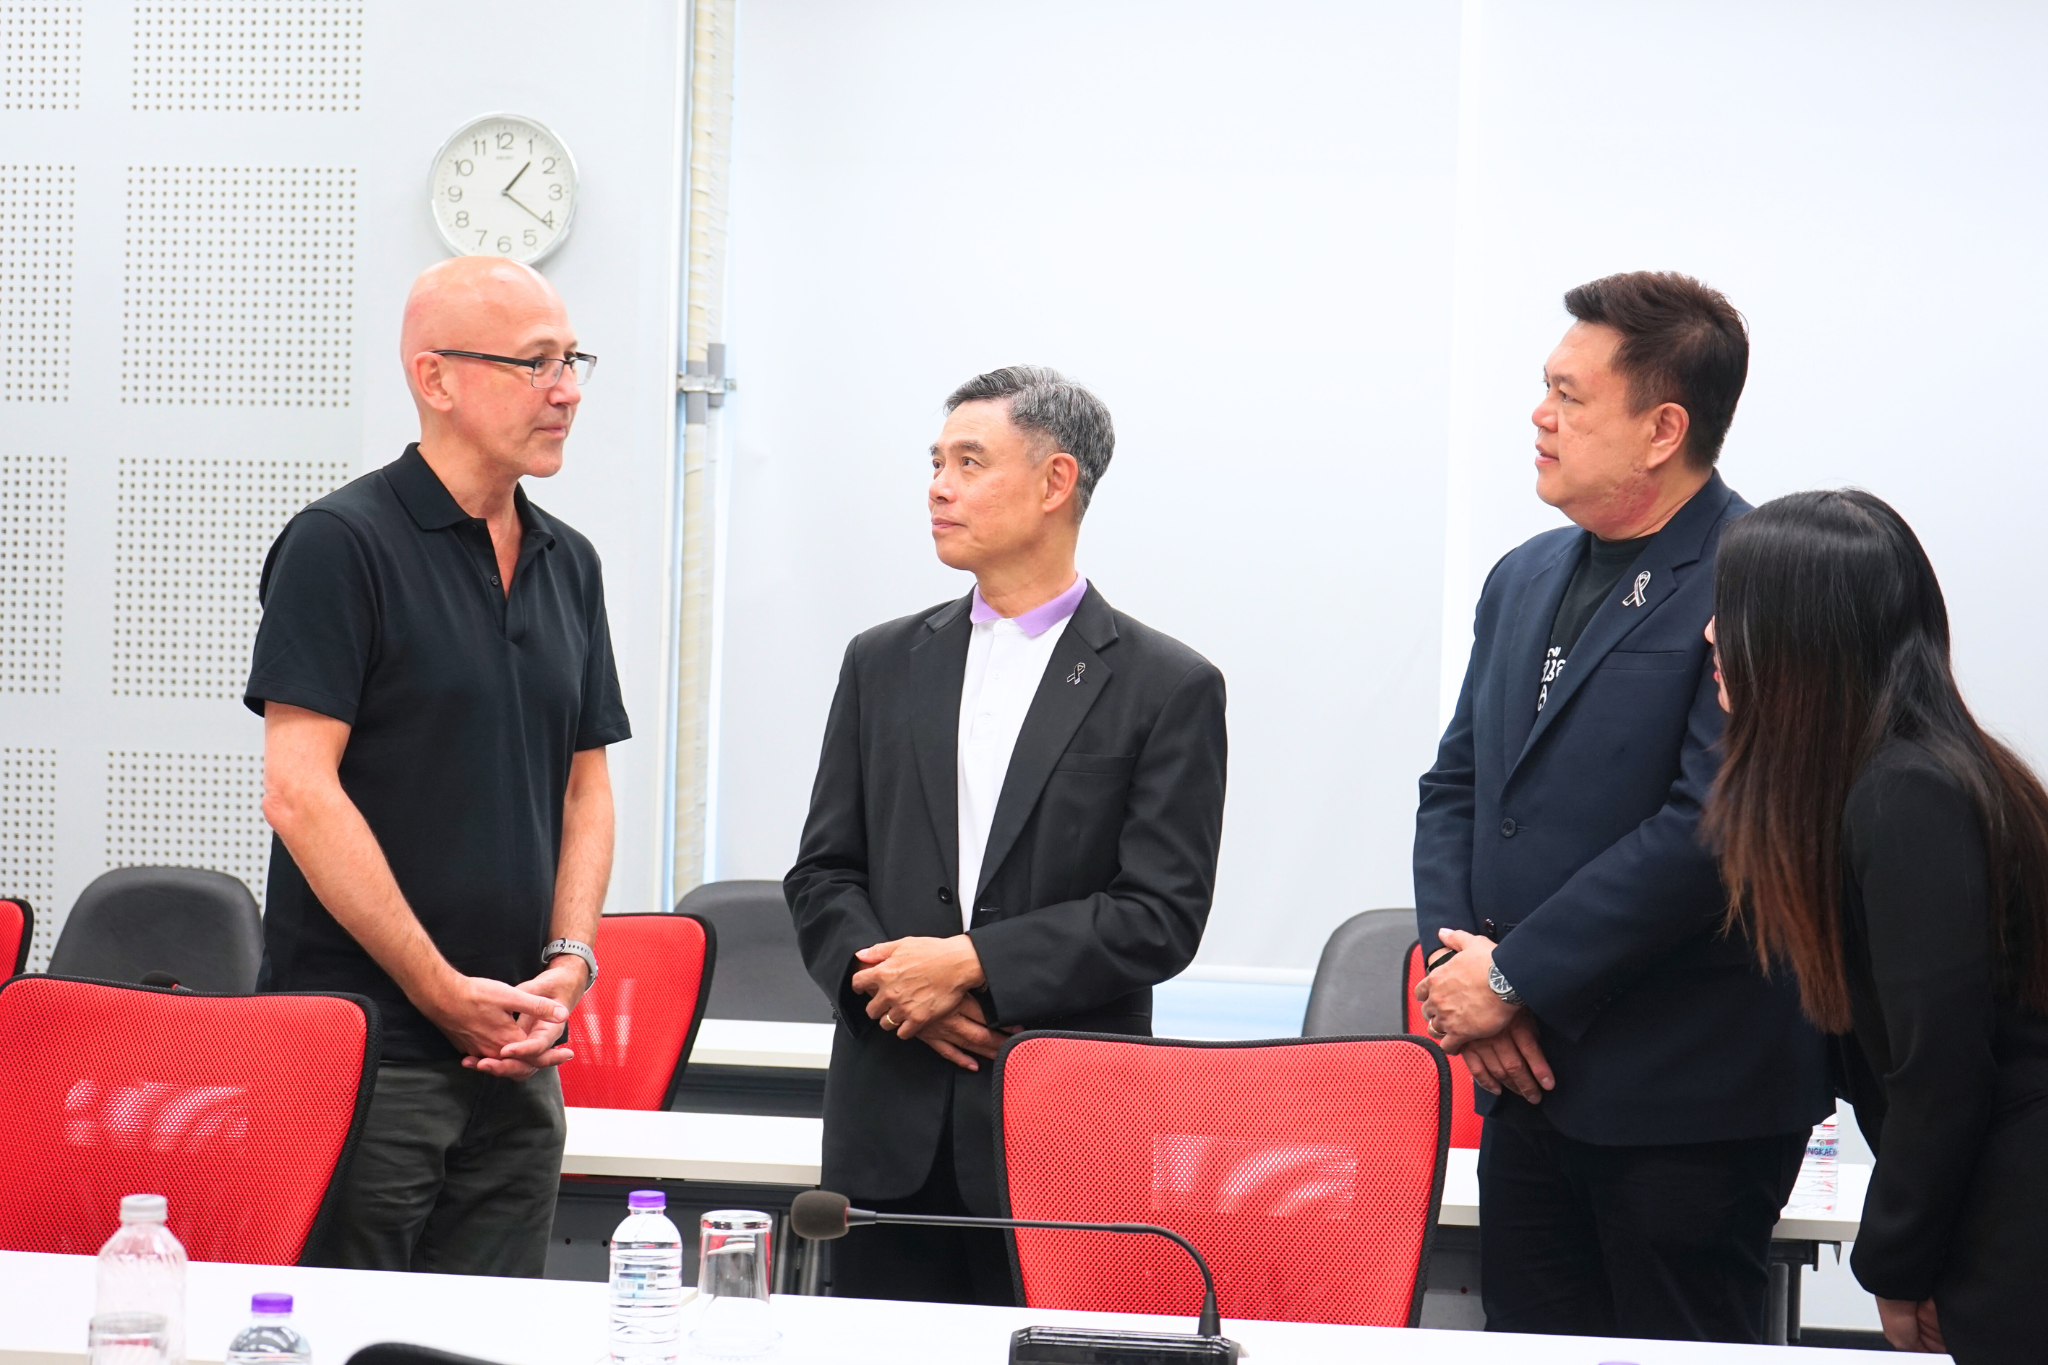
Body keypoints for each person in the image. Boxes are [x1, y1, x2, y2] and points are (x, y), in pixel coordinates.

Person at [1412, 271, 1830, 1341]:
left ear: (1662, 429)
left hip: (1685, 1094)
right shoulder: (1522, 575)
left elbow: (1711, 826)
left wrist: (1513, 977)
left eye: (1568, 395)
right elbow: (1457, 788)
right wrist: (1464, 981)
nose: (1538, 416)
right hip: (1526, 1082)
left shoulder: (1758, 578)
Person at [785, 366, 1228, 1305]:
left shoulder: (1167, 684)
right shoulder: (881, 661)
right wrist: (897, 995)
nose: (938, 487)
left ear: (1056, 480)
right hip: (888, 1122)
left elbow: (1160, 914)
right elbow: (823, 872)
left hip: (1066, 1134)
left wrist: (970, 964)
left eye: (969, 462)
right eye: (935, 463)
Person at [246, 256, 628, 1275]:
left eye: (573, 360)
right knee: (344, 1333)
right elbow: (299, 790)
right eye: (536, 363)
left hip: (520, 1059)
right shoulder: (340, 544)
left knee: (491, 1337)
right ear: (436, 377)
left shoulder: (570, 563)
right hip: (366, 1054)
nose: (566, 390)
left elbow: (585, 787)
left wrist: (568, 964)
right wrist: (438, 986)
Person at [1704, 490, 2048, 1363]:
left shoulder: (1904, 797)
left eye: (1731, 612)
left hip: (2013, 1220)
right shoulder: (1901, 780)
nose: (1710, 635)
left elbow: (1941, 1070)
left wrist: (1895, 1264)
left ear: (1803, 639)